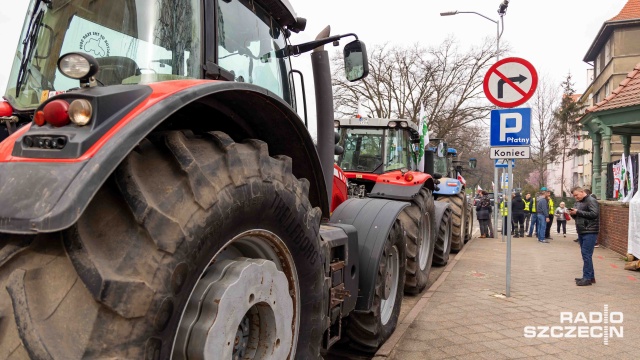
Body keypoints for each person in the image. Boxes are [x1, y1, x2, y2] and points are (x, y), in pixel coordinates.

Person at [569, 186, 600, 286]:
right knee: (585, 255)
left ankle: (587, 278)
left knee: (586, 254)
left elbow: (594, 214)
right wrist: (573, 213)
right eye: (574, 196)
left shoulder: (591, 200)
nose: (575, 197)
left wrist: (578, 212)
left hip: (589, 230)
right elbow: (579, 216)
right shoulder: (579, 202)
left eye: (576, 195)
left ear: (582, 192)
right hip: (582, 230)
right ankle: (590, 277)